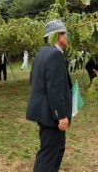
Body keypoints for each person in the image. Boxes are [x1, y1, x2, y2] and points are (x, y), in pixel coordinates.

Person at [26, 19, 72, 172]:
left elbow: (33, 79)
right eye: (66, 33)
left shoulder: (42, 53)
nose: (68, 37)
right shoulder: (55, 55)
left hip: (44, 111)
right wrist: (61, 115)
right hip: (51, 115)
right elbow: (55, 89)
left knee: (57, 149)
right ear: (59, 35)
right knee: (48, 154)